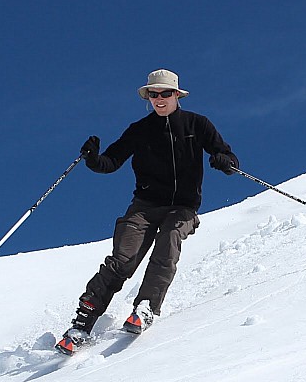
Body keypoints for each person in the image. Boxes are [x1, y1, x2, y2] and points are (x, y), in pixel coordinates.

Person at [55, 69, 239, 355]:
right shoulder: (139, 130)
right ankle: (82, 323)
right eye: (153, 94)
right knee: (122, 260)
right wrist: (92, 158)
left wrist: (222, 160)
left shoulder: (197, 124)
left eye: (165, 93)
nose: (159, 99)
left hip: (182, 207)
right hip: (145, 206)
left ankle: (146, 306)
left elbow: (229, 158)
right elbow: (110, 162)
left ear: (177, 95)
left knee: (168, 243)